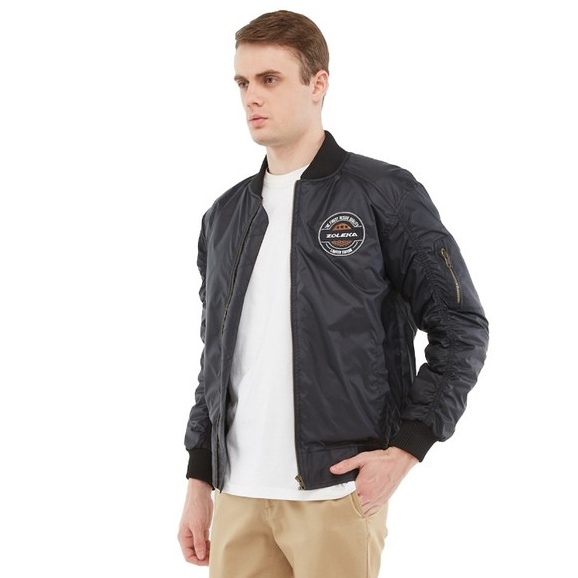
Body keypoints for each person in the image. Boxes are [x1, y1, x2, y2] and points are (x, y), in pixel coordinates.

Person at [177, 9, 489, 578]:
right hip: (237, 497)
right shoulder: (223, 217)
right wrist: (199, 478)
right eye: (243, 82)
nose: (252, 97)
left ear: (318, 83)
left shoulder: (384, 194)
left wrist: (408, 448)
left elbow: (460, 325)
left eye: (270, 79)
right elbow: (214, 361)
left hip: (336, 494)